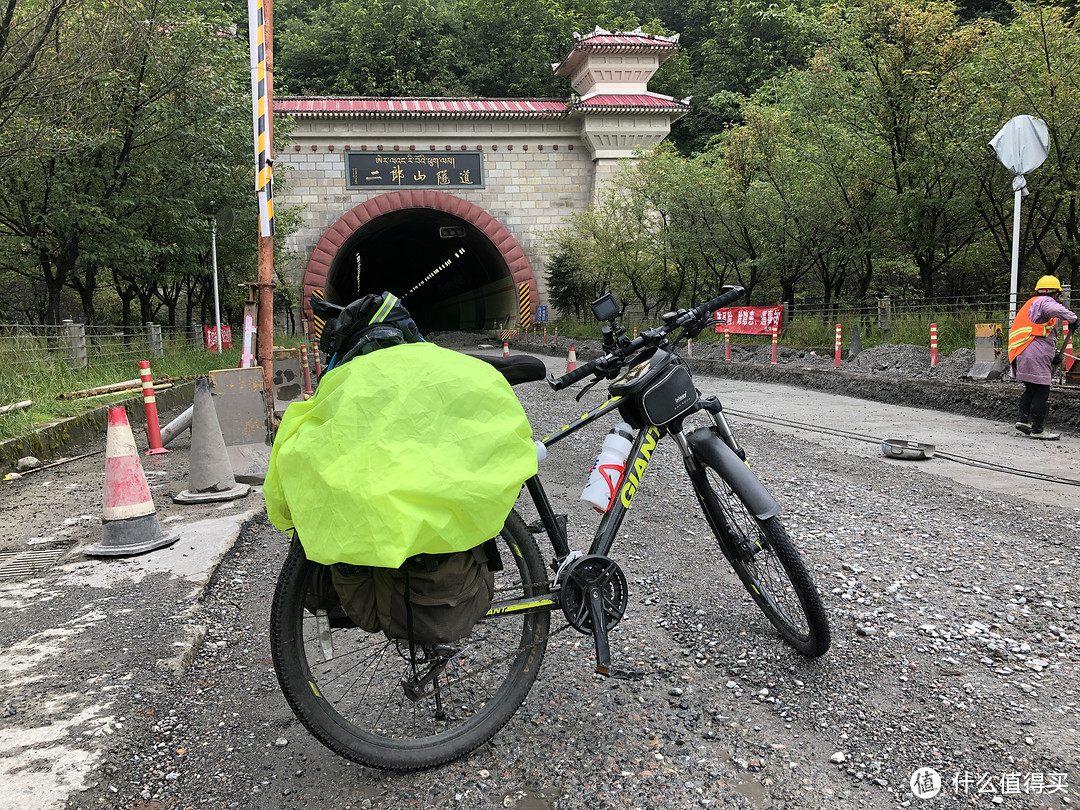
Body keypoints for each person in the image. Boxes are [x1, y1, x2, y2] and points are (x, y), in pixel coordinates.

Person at [1007, 275, 1078, 440]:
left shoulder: (1033, 306)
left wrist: (1052, 356)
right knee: (1041, 390)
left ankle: (1023, 420)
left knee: (1031, 388)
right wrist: (1073, 318)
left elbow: (1041, 335)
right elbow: (1054, 309)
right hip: (1030, 352)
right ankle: (1038, 430)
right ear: (1056, 294)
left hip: (1022, 352)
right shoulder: (1044, 302)